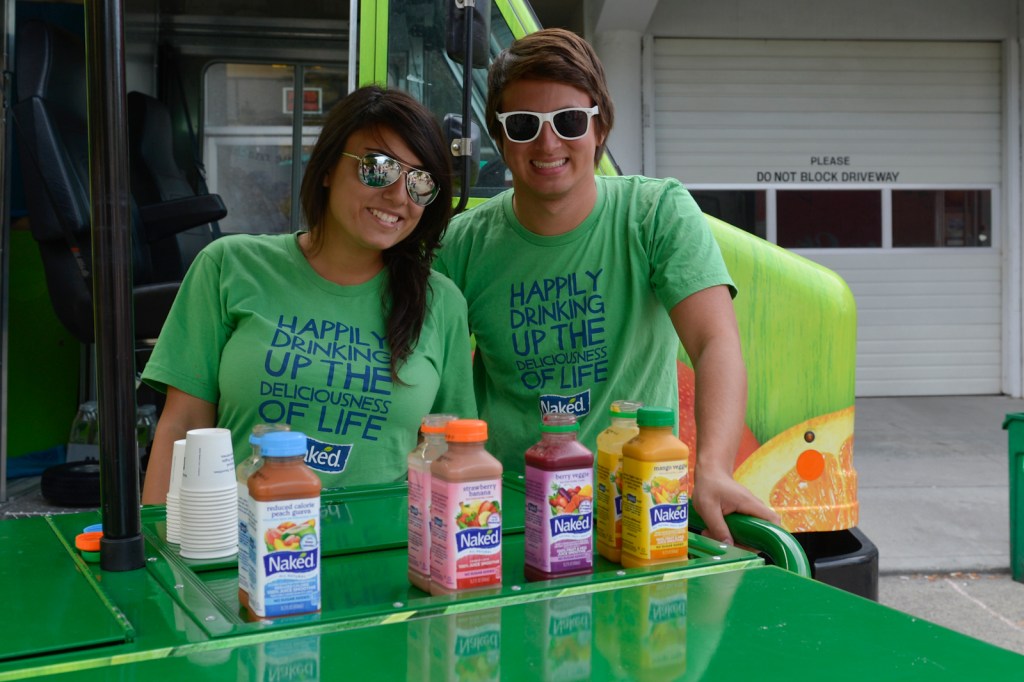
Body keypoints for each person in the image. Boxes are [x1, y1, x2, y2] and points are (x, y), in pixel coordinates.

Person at [433, 28, 780, 543]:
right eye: (524, 125)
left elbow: (714, 342)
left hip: (635, 508)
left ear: (600, 127)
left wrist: (714, 470)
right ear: (501, 141)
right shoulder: (461, 245)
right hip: (505, 522)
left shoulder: (656, 213)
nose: (548, 143)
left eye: (569, 121)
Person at [141, 85, 476, 504]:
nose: (397, 195)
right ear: (327, 169)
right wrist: (156, 551)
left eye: (420, 182)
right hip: (243, 548)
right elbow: (181, 428)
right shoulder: (229, 266)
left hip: (382, 552)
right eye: (378, 168)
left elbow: (454, 455)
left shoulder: (441, 302)